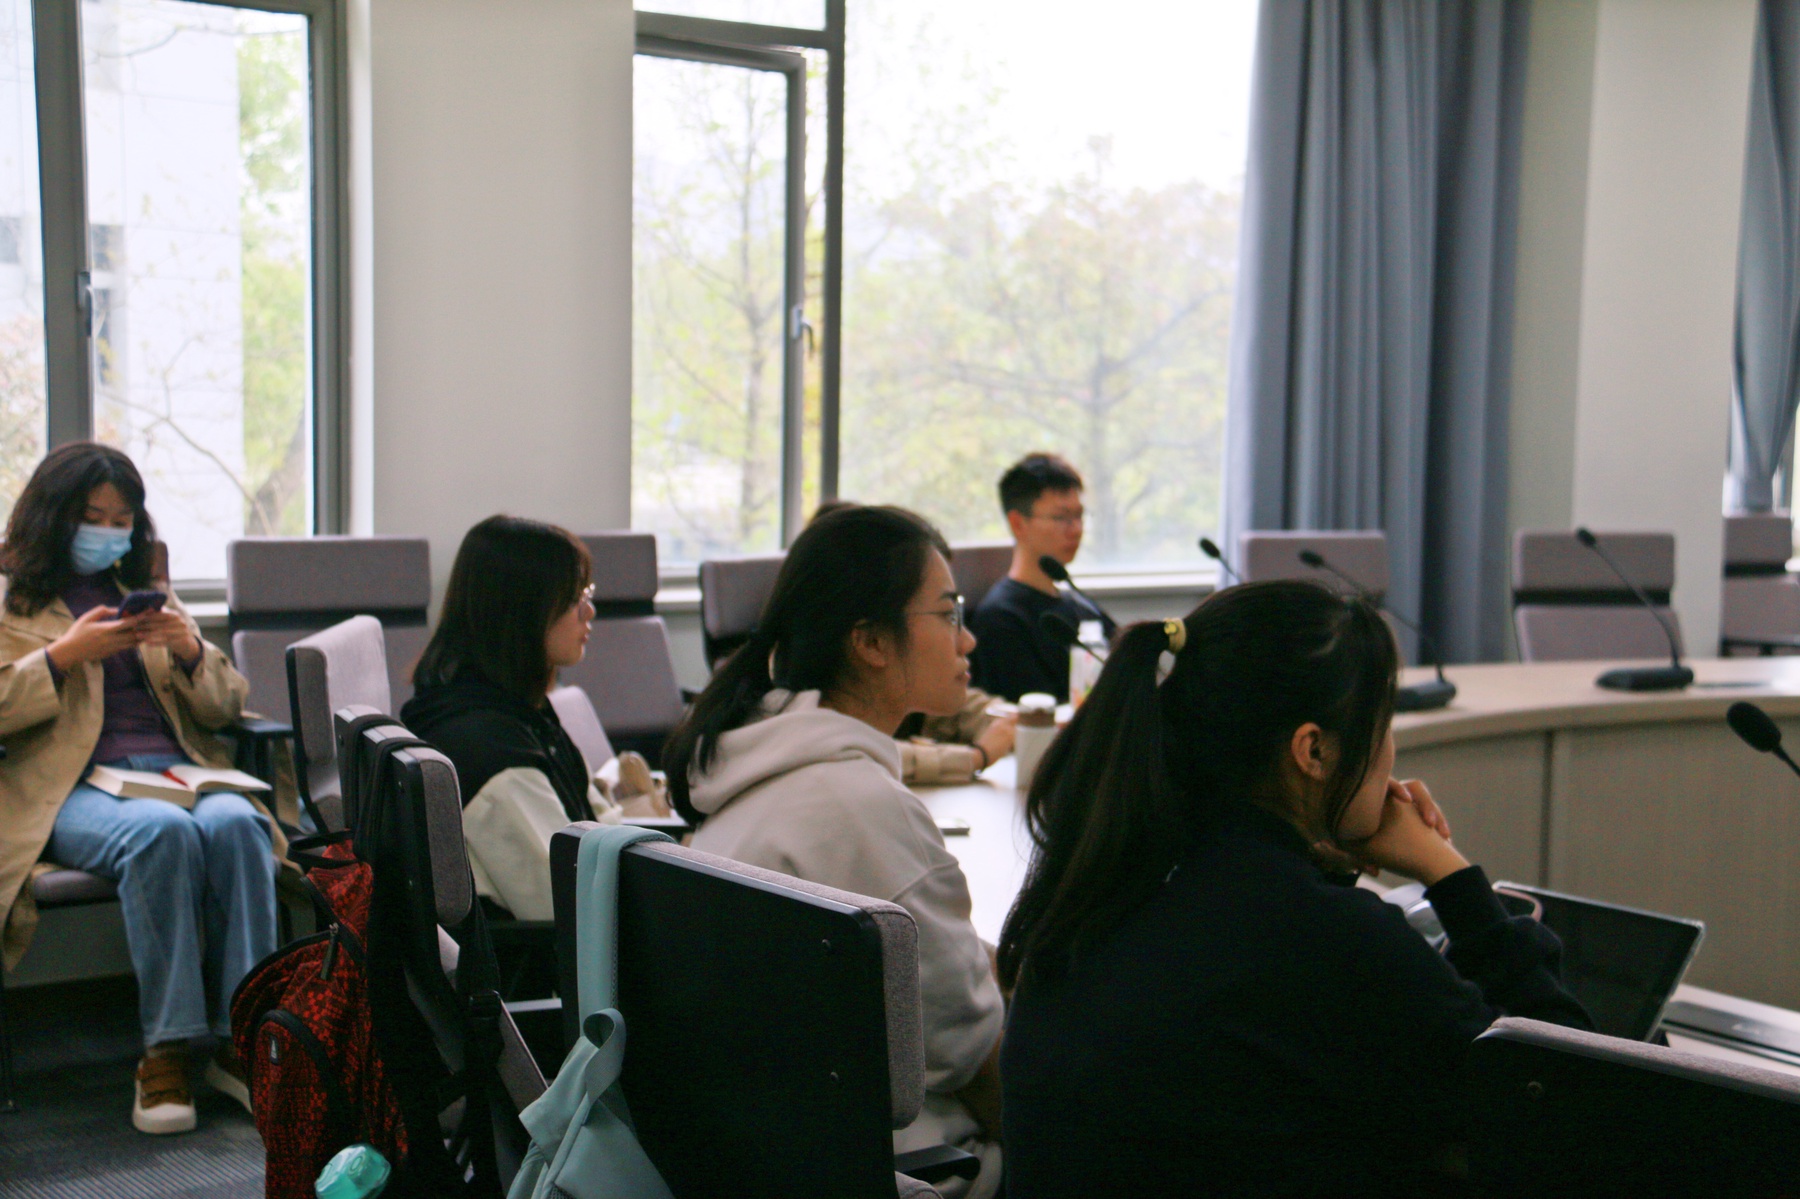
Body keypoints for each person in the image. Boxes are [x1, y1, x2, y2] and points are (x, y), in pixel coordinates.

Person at [997, 580, 1592, 1199]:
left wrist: (1315, 860)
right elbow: (1570, 1101)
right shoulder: (1322, 935)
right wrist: (1449, 875)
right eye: (1382, 725)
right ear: (1313, 751)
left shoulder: (1106, 877)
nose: (1390, 752)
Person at [667, 505, 1006, 1198]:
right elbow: (976, 1056)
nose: (967, 638)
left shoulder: (754, 765)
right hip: (913, 1167)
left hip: (773, 1159)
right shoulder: (863, 810)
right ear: (871, 642)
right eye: (949, 613)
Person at [0, 442, 280, 1135]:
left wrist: (188, 648)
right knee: (162, 831)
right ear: (54, 516)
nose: (107, 531)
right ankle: (168, 1049)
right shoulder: (13, 599)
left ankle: (244, 1041)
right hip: (72, 786)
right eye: (91, 517)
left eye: (120, 519)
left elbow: (228, 705)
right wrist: (62, 657)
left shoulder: (142, 589)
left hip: (177, 768)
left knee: (239, 824)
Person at [402, 515, 621, 924]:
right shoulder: (497, 760)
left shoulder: (487, 703)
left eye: (586, 593)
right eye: (574, 598)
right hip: (560, 955)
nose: (589, 611)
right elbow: (574, 909)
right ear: (524, 613)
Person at [968, 453, 1114, 702]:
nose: (1076, 529)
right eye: (1061, 518)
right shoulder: (1001, 618)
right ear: (1018, 524)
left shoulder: (1079, 603)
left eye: (1079, 516)